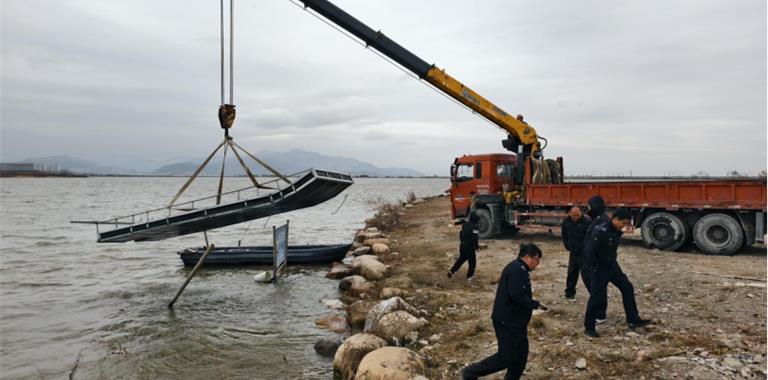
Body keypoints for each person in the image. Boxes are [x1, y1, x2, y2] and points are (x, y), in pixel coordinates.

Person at [462, 243, 546, 380]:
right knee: (505, 357)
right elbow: (516, 294)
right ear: (527, 257)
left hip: (517, 322)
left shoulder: (521, 269)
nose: (538, 263)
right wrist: (534, 304)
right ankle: (471, 372)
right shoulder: (516, 269)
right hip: (507, 321)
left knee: (520, 357)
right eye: (536, 259)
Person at [583, 208, 652, 337]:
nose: (624, 226)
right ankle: (589, 327)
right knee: (596, 297)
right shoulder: (601, 231)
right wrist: (594, 268)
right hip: (600, 268)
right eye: (623, 223)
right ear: (615, 219)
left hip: (612, 266)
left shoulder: (615, 230)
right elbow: (589, 251)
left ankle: (633, 318)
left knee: (627, 287)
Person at [561, 206, 591, 299]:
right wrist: (567, 245)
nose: (575, 218)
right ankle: (570, 292)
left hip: (583, 252)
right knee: (572, 272)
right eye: (573, 216)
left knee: (586, 273)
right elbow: (564, 234)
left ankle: (593, 292)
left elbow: (589, 237)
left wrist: (586, 248)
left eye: (577, 216)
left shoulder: (586, 222)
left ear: (581, 214)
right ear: (570, 213)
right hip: (573, 251)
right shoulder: (566, 221)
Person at [448, 211, 480, 282]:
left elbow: (461, 233)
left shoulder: (465, 225)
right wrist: (476, 247)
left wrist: (455, 223)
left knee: (461, 259)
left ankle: (451, 271)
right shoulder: (475, 227)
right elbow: (475, 238)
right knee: (472, 261)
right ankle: (470, 276)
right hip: (469, 247)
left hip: (462, 245)